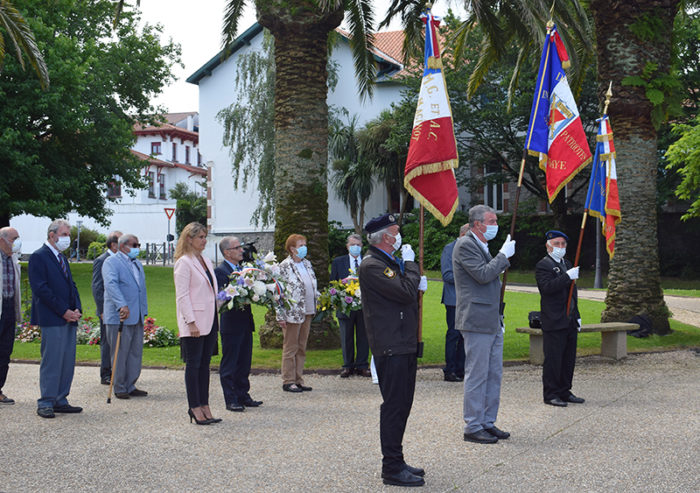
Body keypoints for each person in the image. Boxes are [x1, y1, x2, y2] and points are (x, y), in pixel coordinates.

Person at [358, 213, 428, 488]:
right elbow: (405, 292)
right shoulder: (372, 265)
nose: (399, 237)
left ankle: (397, 460)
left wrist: (409, 272)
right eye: (396, 232)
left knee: (402, 405)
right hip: (391, 345)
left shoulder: (386, 262)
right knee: (394, 406)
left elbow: (406, 291)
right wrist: (411, 266)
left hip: (402, 342)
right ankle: (391, 467)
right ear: (386, 237)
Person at [453, 205, 515, 444]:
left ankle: (487, 421)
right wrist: (503, 256)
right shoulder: (466, 244)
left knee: (493, 373)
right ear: (477, 224)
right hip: (476, 319)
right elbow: (482, 275)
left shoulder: (482, 245)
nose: (495, 225)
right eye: (491, 221)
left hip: (490, 318)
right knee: (477, 374)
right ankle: (473, 425)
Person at [28, 219, 83, 419]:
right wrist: (63, 311)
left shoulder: (62, 258)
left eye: (68, 234)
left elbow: (71, 285)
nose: (67, 238)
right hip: (53, 317)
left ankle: (61, 398)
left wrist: (76, 308)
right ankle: (46, 401)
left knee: (67, 360)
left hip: (68, 317)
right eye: (65, 234)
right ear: (52, 235)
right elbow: (41, 289)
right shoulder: (39, 257)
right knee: (52, 361)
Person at [174, 222, 221, 425]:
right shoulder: (184, 262)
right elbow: (182, 296)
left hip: (210, 319)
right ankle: (194, 406)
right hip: (194, 322)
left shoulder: (206, 261)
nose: (204, 240)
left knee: (205, 365)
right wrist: (190, 322)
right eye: (200, 237)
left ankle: (205, 404)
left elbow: (210, 290)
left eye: (205, 236)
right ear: (189, 239)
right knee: (193, 366)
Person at [535, 230, 584, 407]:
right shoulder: (544, 265)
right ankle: (551, 393)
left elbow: (573, 294)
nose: (560, 247)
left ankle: (565, 390)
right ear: (548, 246)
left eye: (563, 244)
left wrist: (576, 315)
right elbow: (547, 288)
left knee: (568, 358)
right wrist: (567, 277)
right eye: (557, 244)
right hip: (554, 319)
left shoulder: (567, 263)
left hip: (569, 318)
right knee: (554, 359)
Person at [214, 236, 262, 412]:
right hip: (230, 323)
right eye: (238, 247)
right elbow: (220, 297)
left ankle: (243, 394)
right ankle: (231, 398)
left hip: (245, 322)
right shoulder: (219, 272)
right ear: (227, 252)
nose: (242, 250)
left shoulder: (244, 269)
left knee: (244, 362)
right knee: (230, 363)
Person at [102, 234, 148, 399]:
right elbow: (111, 284)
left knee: (135, 352)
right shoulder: (111, 262)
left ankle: (130, 384)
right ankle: (120, 385)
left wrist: (144, 310)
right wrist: (122, 304)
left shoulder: (136, 264)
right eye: (135, 245)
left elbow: (140, 289)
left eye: (138, 244)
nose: (137, 248)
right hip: (120, 315)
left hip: (137, 314)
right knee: (120, 352)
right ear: (123, 246)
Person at [276, 234, 318, 393]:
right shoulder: (284, 266)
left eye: (304, 244)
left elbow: (312, 285)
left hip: (307, 310)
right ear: (292, 249)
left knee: (302, 346)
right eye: (301, 245)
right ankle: (288, 380)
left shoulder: (307, 264)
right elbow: (278, 292)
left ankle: (299, 379)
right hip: (292, 312)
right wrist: (280, 315)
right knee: (290, 347)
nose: (304, 247)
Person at [330, 233, 369, 378]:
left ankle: (362, 365)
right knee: (346, 336)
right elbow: (332, 283)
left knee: (363, 336)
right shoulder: (338, 262)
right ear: (347, 246)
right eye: (353, 245)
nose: (356, 248)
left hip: (364, 306)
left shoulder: (367, 261)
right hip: (345, 306)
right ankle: (347, 366)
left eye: (358, 245)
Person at [91, 231, 122, 385]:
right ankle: (106, 373)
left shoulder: (120, 260)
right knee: (107, 341)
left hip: (120, 308)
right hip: (107, 309)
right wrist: (102, 310)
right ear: (114, 245)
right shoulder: (102, 260)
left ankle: (118, 371)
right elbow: (97, 287)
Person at [441, 224, 469, 382]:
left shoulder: (472, 249)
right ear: (464, 234)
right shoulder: (449, 249)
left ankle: (461, 368)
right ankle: (449, 370)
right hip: (454, 299)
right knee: (454, 334)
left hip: (468, 299)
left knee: (465, 335)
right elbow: (447, 275)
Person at [0, 227, 21, 405]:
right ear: (2, 240)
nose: (17, 242)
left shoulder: (13, 259)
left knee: (5, 351)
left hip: (8, 309)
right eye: (14, 239)